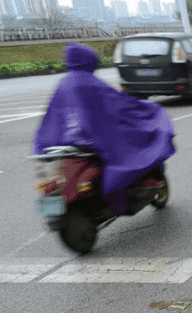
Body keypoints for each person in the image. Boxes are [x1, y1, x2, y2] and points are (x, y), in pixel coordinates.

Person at [33, 43, 175, 214]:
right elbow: (118, 104)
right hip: (95, 141)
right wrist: (148, 108)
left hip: (69, 144)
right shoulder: (90, 83)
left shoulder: (63, 83)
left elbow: (52, 116)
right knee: (133, 149)